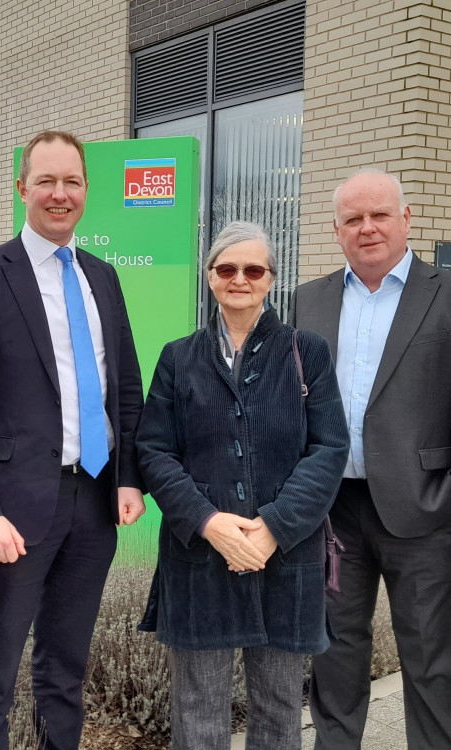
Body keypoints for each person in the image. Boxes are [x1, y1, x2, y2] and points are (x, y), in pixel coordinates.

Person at [0, 130, 147, 750]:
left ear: (87, 190)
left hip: (94, 500)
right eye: (47, 181)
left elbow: (126, 389)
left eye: (73, 182)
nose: (61, 194)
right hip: (14, 508)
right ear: (22, 187)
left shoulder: (102, 278)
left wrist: (130, 475)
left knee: (66, 669)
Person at [136, 221, 349, 750]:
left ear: (270, 279)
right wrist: (209, 523)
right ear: (210, 277)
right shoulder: (177, 357)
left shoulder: (308, 352)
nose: (239, 279)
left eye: (253, 269)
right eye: (226, 268)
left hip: (286, 559)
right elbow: (154, 450)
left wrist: (273, 528)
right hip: (200, 560)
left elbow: (329, 450)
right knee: (198, 711)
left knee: (279, 712)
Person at [290, 169, 451, 750]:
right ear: (337, 231)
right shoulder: (308, 300)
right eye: (353, 219)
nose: (368, 228)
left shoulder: (445, 293)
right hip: (334, 513)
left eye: (379, 215)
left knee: (432, 661)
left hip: (424, 509)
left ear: (406, 219)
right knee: (334, 659)